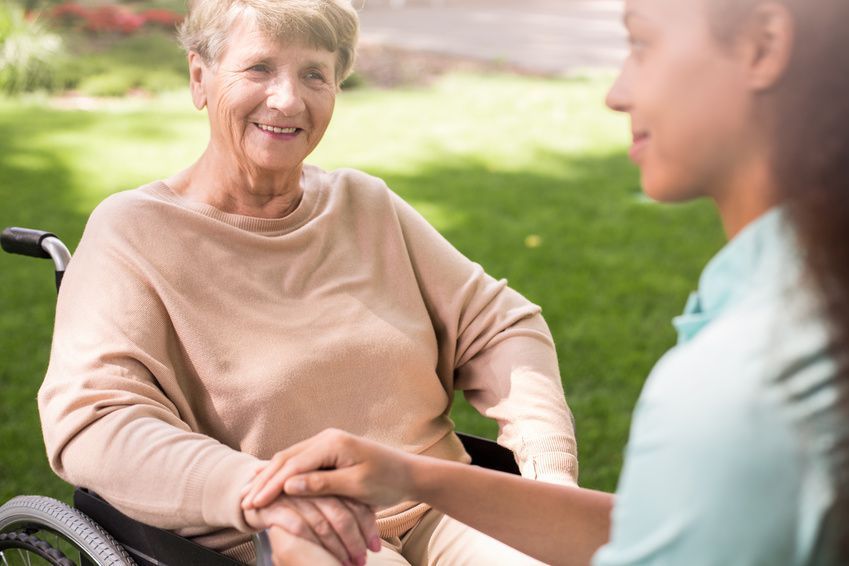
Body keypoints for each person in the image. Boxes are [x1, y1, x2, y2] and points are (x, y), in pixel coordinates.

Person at [241, 0, 849, 563]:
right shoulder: (794, 310)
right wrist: (411, 475)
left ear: (764, 47)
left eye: (642, 45)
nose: (616, 93)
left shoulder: (739, 382)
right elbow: (669, 529)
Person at [36, 1, 580, 565]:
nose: (288, 99)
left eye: (315, 74)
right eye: (259, 68)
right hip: (286, 532)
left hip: (440, 503)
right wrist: (261, 492)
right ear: (200, 77)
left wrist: (549, 472)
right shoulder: (134, 231)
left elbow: (500, 324)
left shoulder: (363, 204)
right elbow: (96, 421)